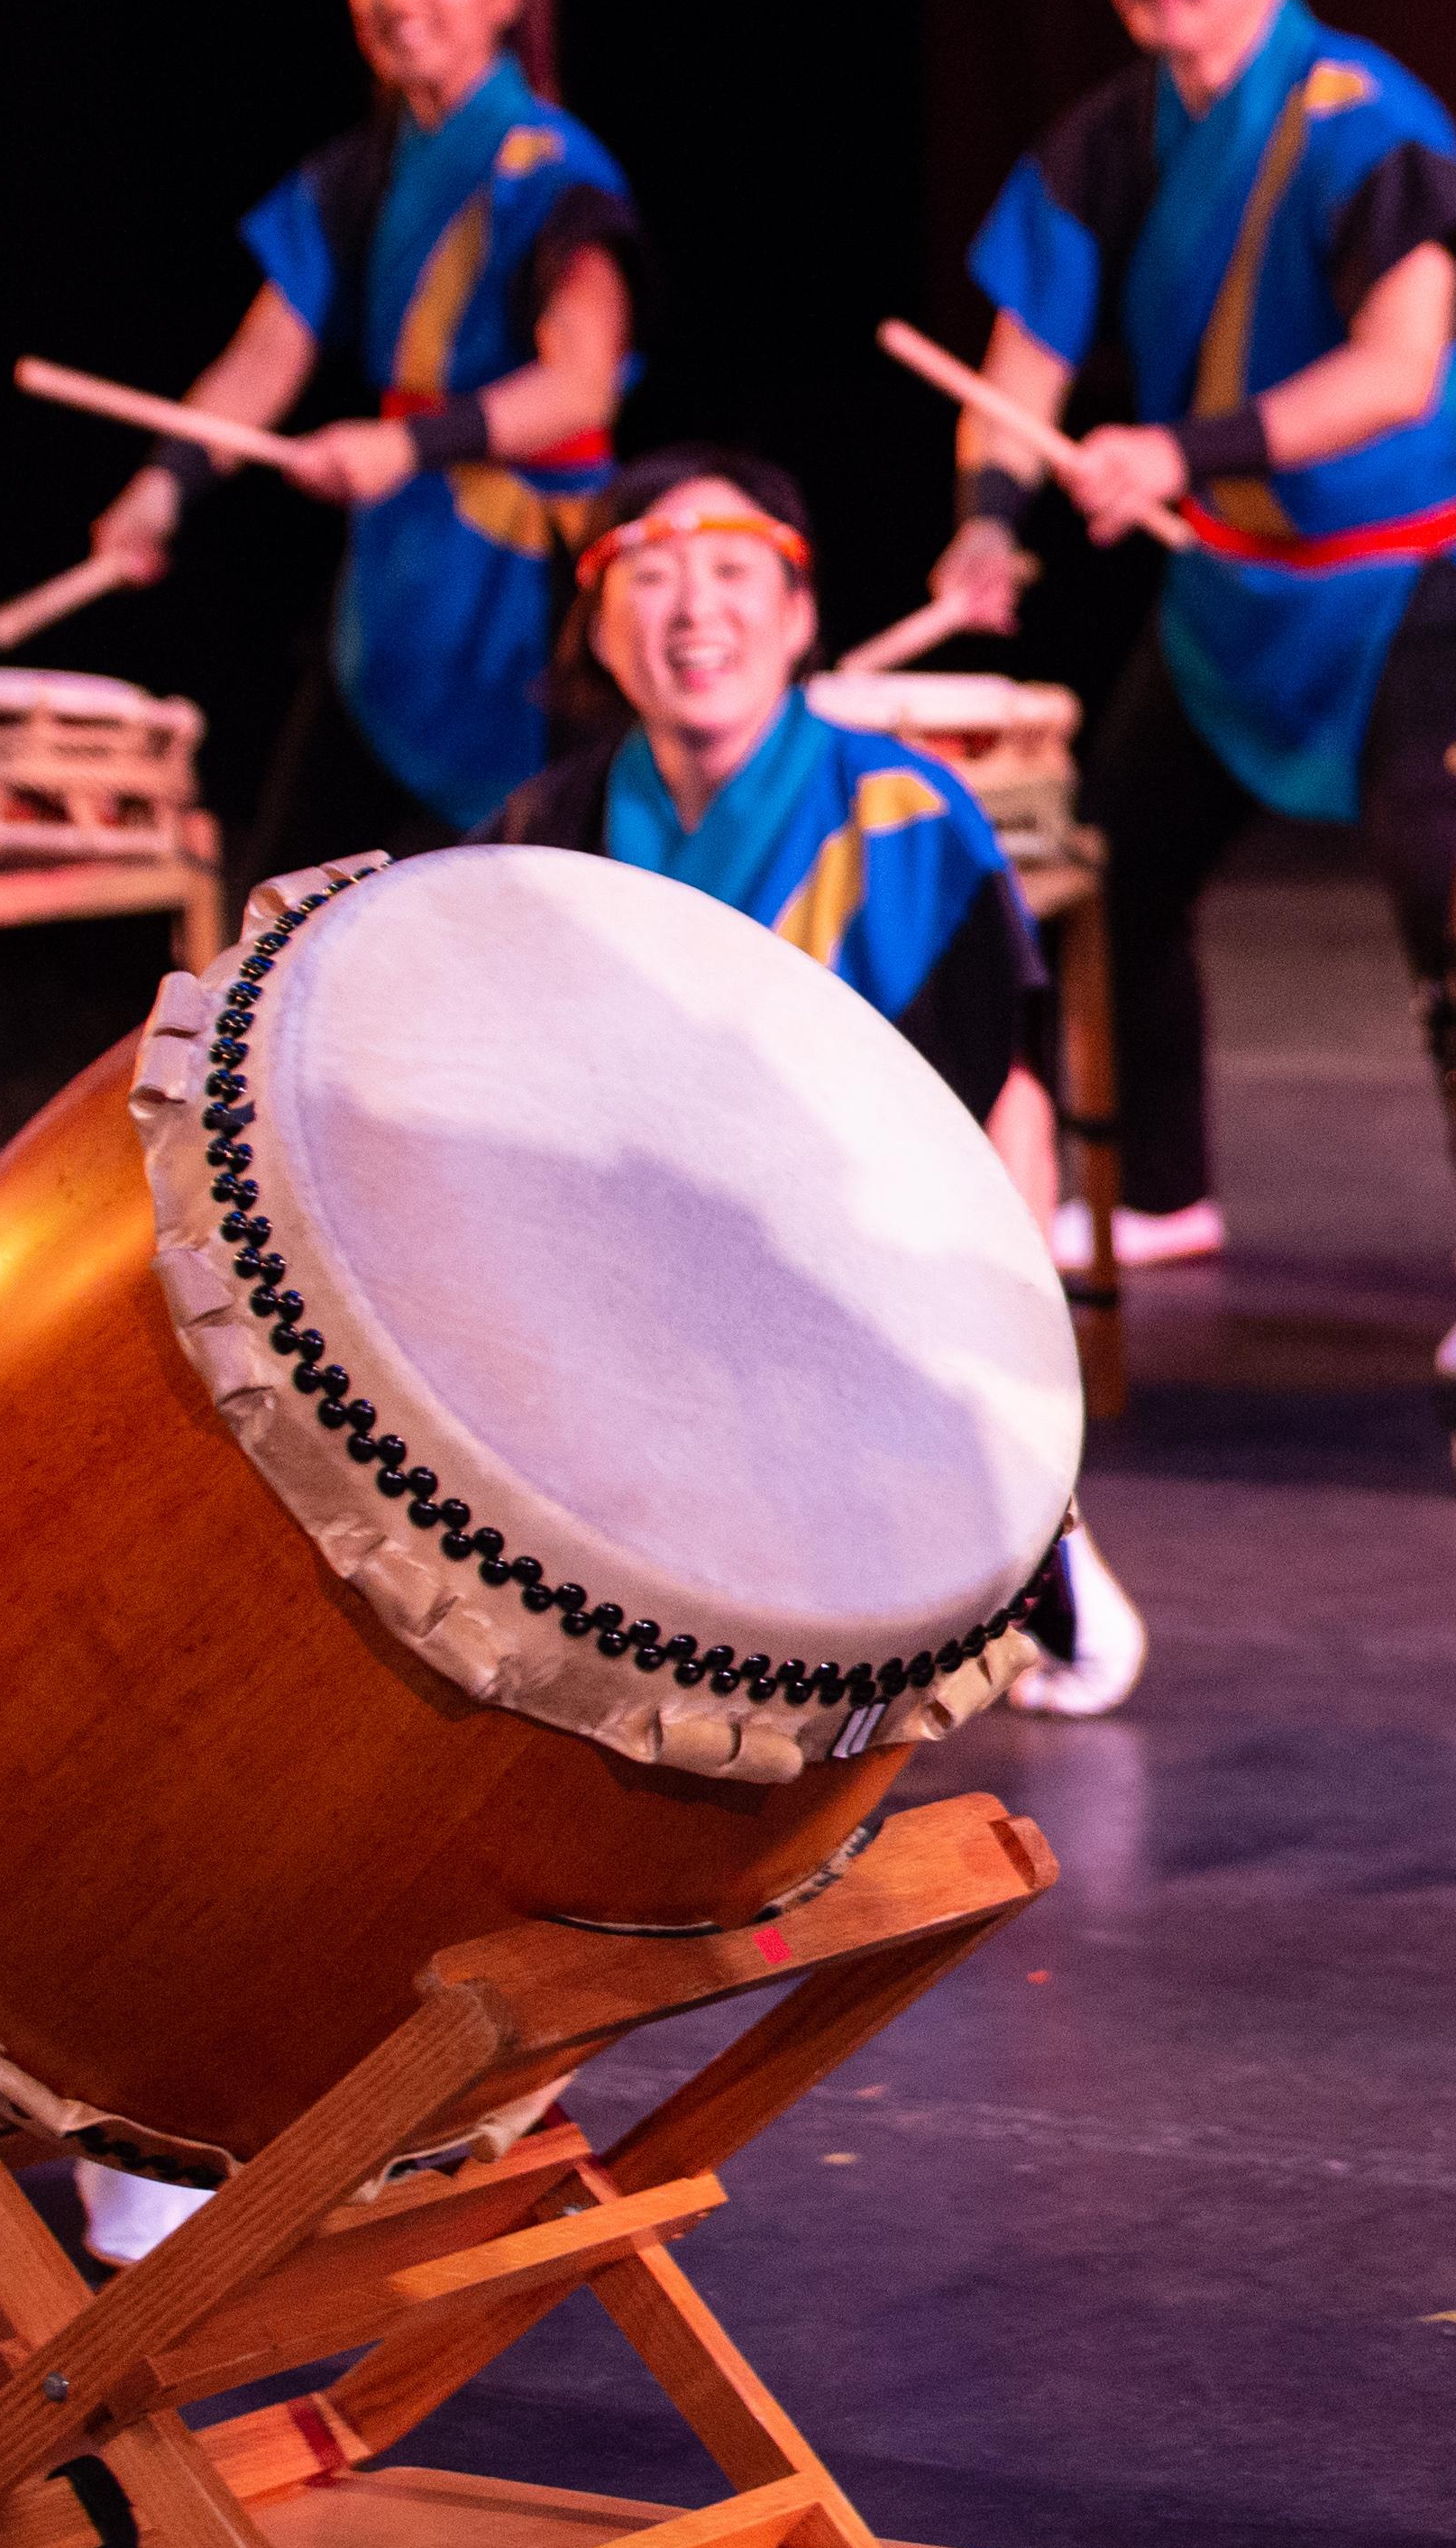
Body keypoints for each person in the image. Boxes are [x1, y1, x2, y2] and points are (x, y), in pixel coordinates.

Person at [913, 0, 1456, 1345]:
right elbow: (1024, 358)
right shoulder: (1113, 134)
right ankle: (1161, 1180)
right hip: (1225, 590)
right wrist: (991, 519)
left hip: (1396, 588)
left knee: (1450, 897)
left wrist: (1177, 450)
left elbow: (1396, 370)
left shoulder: (1367, 118)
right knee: (1111, 865)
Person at [479, 448, 1149, 1723]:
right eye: (653, 578)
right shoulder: (535, 833)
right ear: (598, 626)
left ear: (797, 619)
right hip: (624, 1293)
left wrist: (1018, 1400)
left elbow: (998, 1095)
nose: (695, 612)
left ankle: (1022, 1542)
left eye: (734, 574)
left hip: (860, 1284)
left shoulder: (902, 811)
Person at [84, 0, 640, 884]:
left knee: (518, 900)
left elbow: (582, 383)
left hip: (527, 591)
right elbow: (264, 355)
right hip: (396, 580)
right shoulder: (359, 173)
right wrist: (163, 485)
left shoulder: (551, 167)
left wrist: (407, 441)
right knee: (302, 904)